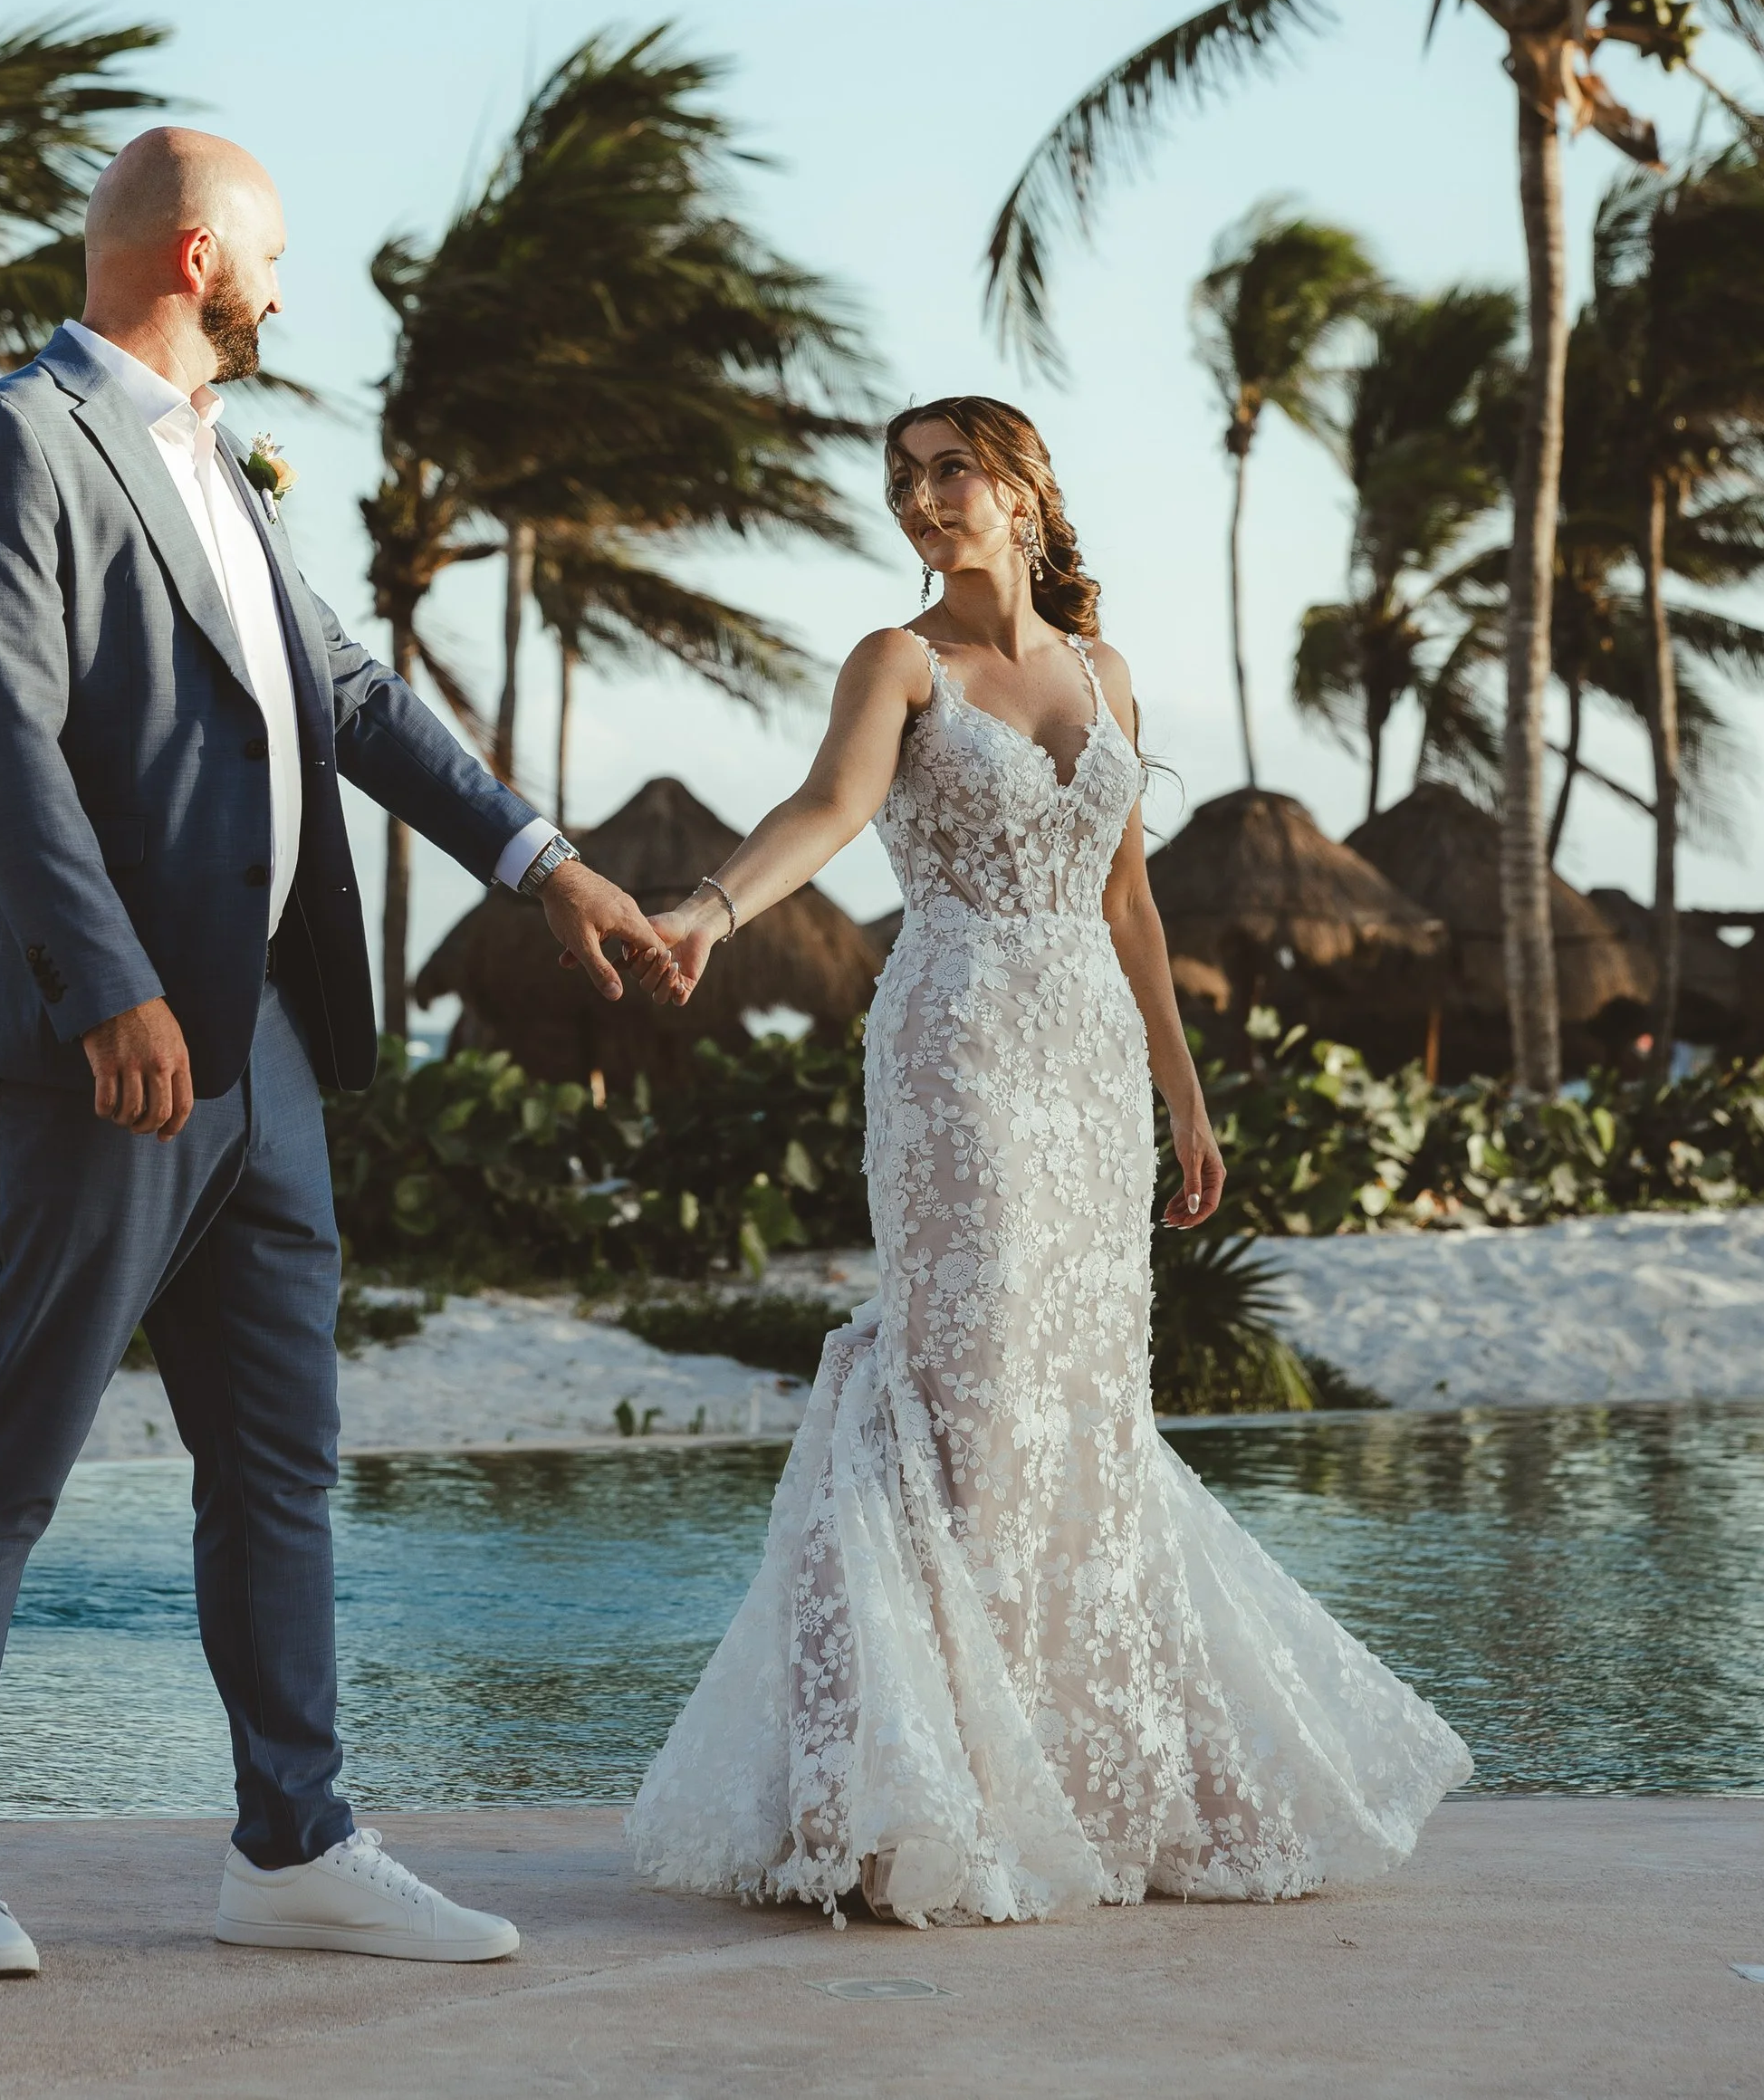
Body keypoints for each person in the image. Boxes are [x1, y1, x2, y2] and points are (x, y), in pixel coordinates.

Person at [0, 127, 676, 1980]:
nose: (289, 291)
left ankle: (292, 1844)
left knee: (281, 1464)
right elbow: (0, 736)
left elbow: (349, 700)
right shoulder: (10, 442)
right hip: (96, 1048)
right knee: (10, 1444)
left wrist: (538, 860)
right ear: (202, 255)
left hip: (269, 1052)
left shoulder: (225, 469)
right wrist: (107, 984)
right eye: (275, 259)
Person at [623, 397, 1471, 1926]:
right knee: (974, 1377)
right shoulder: (902, 662)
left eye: (953, 468)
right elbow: (826, 809)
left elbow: (1132, 903)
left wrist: (1185, 1093)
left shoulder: (1105, 671)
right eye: (905, 478)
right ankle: (927, 1788)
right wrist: (708, 909)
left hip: (1088, 1058)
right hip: (958, 1042)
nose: (925, 496)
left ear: (1023, 487)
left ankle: (1079, 1777)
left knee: (1083, 1388)